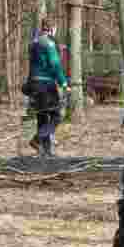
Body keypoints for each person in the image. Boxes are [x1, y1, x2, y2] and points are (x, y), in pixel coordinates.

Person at [26, 19, 69, 157]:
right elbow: (55, 64)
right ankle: (37, 139)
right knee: (57, 115)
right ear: (53, 29)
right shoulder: (49, 43)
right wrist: (63, 83)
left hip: (33, 84)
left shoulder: (33, 43)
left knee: (42, 117)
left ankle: (46, 152)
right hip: (46, 84)